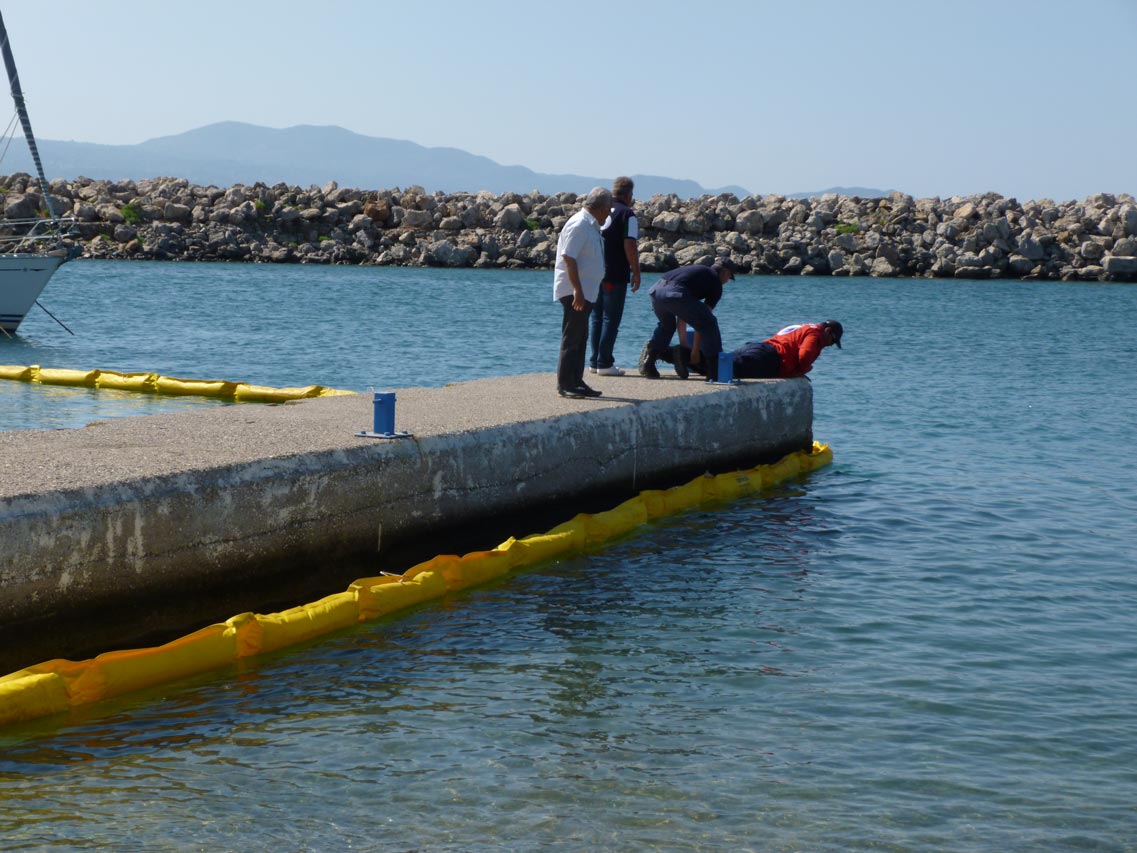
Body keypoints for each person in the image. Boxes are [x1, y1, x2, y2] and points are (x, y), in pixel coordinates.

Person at [553, 187, 612, 398]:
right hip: (575, 290)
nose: (609, 214)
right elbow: (569, 258)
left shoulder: (591, 225)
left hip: (587, 290)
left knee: (581, 337)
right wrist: (577, 290)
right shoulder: (579, 224)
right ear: (602, 207)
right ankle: (565, 384)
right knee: (572, 337)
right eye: (609, 209)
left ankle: (576, 381)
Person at [637, 258, 739, 381]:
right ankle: (714, 371)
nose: (727, 281)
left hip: (656, 291)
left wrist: (684, 345)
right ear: (725, 272)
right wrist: (695, 351)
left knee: (667, 326)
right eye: (729, 277)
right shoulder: (716, 283)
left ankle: (649, 362)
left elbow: (683, 315)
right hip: (675, 293)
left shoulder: (698, 271)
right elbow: (702, 323)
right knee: (709, 323)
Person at [661, 320, 844, 379]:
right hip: (770, 358)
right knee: (723, 370)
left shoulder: (802, 327)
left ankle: (662, 352)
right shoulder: (815, 334)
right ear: (828, 331)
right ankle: (677, 354)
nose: (828, 345)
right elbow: (804, 357)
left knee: (717, 367)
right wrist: (803, 370)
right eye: (831, 341)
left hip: (759, 348)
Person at [589, 176, 641, 376]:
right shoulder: (627, 214)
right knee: (611, 319)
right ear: (628, 194)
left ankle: (595, 361)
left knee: (596, 318)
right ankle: (604, 362)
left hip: (596, 272)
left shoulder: (601, 211)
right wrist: (636, 271)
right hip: (615, 274)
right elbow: (630, 244)